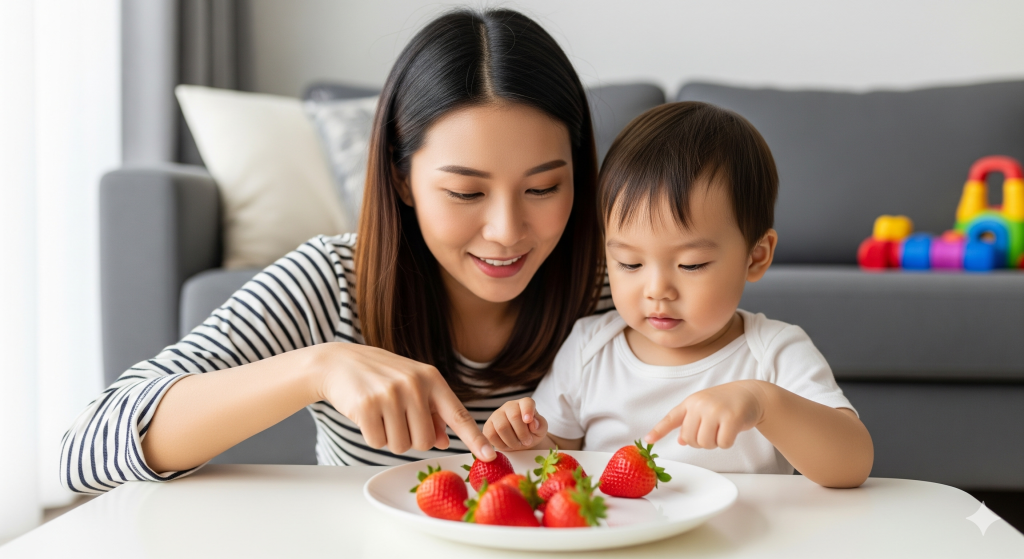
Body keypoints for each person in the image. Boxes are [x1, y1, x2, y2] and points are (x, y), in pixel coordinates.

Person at [60, 8, 610, 493]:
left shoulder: (626, 284)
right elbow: (86, 450)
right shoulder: (333, 281)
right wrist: (317, 368)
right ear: (401, 178)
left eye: (543, 188)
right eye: (466, 192)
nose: (506, 231)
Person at [483, 102, 874, 488]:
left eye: (691, 265)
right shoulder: (589, 349)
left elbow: (852, 465)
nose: (657, 290)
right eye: (630, 263)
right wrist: (527, 439)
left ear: (755, 257)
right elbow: (557, 457)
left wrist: (764, 403)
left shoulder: (774, 353)